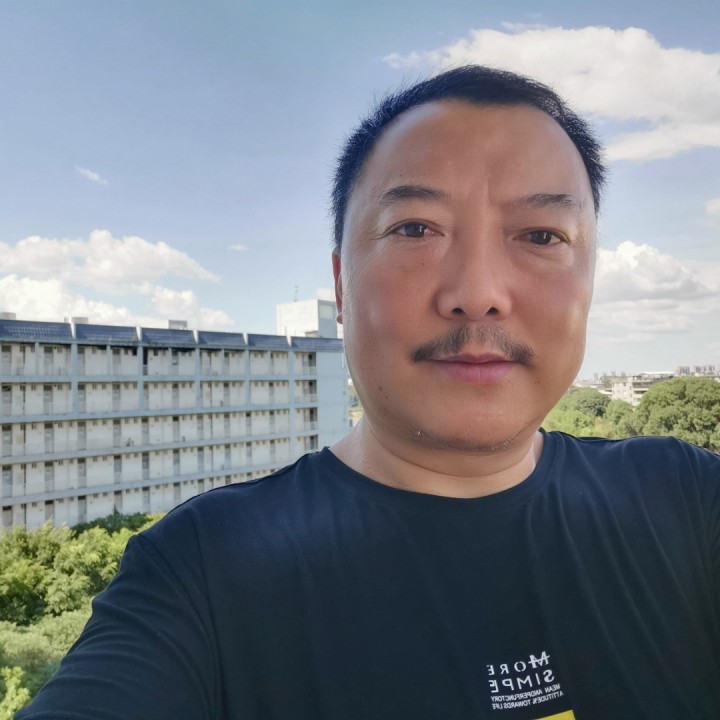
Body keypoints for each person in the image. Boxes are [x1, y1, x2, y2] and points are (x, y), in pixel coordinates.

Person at [17, 66, 720, 720]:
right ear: (340, 284)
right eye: (415, 228)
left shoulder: (685, 499)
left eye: (541, 234)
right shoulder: (200, 574)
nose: (478, 292)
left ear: (590, 280)